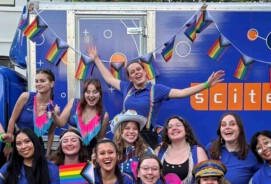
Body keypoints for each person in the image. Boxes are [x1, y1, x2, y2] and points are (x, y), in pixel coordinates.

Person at [87, 44, 224, 148]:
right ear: (129, 78)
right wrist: (96, 59)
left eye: (139, 69)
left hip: (146, 137)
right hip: (126, 136)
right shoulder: (126, 87)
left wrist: (206, 85)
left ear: (145, 72)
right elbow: (109, 79)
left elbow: (182, 93)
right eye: (132, 72)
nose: (137, 73)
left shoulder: (156, 90)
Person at [205, 112, 261, 184]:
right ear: (220, 131)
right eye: (223, 125)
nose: (227, 127)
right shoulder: (210, 148)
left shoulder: (252, 154)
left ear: (240, 129)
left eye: (232, 124)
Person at [156, 116, 208, 184]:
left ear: (186, 131)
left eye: (178, 125)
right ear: (167, 133)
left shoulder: (198, 151)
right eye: (170, 127)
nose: (174, 128)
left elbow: (206, 181)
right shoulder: (159, 151)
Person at [7, 69, 56, 157]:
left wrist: (48, 153)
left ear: (51, 84)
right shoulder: (26, 97)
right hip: (19, 143)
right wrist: (8, 145)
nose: (38, 84)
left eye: (42, 81)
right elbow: (12, 120)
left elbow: (51, 132)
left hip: (37, 145)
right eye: (36, 81)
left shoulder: (53, 109)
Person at [53, 78, 109, 155]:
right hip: (70, 149)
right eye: (88, 92)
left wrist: (96, 155)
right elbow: (60, 124)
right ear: (84, 93)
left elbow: (100, 140)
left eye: (95, 92)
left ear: (100, 94)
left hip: (89, 153)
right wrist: (54, 114)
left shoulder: (104, 115)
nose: (91, 95)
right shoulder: (74, 103)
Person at [111, 110, 153, 178]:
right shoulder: (112, 151)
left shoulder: (147, 152)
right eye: (127, 128)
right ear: (120, 131)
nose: (131, 131)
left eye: (135, 129)